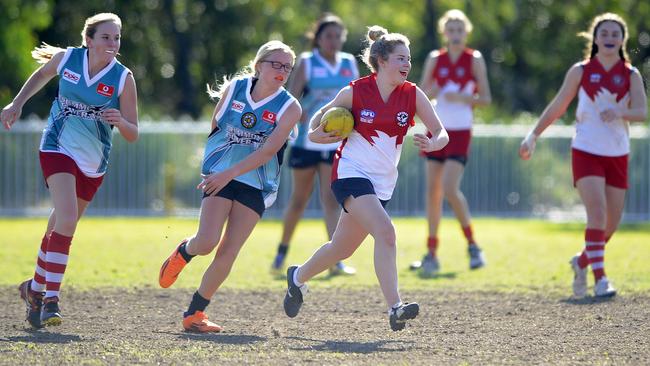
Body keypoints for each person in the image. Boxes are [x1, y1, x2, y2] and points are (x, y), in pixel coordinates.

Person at [282, 26, 449, 331]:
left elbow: (441, 132)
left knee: (340, 249)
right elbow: (315, 129)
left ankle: (297, 277)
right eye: (400, 58)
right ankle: (395, 308)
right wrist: (322, 133)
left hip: (382, 183)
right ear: (381, 60)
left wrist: (433, 142)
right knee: (386, 232)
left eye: (409, 59)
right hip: (350, 173)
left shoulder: (412, 94)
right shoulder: (355, 91)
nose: (407, 64)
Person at [1, 13, 138, 328]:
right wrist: (16, 104)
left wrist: (122, 122)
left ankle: (33, 289)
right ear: (88, 39)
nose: (113, 44)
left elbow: (133, 133)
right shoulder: (68, 59)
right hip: (57, 147)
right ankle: (51, 300)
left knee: (58, 226)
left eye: (117, 38)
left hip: (94, 162)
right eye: (106, 37)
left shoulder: (122, 78)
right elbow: (41, 75)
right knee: (65, 221)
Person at [158, 40, 301, 333]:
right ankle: (184, 251)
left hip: (257, 183)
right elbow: (217, 126)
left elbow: (266, 152)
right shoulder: (235, 88)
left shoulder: (290, 107)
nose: (282, 71)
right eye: (276, 64)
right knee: (207, 241)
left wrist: (230, 172)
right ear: (258, 65)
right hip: (221, 173)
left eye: (287, 67)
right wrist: (216, 167)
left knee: (229, 251)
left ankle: (194, 313)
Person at [519, 13, 647, 298]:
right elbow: (558, 105)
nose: (610, 38)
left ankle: (581, 262)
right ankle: (601, 279)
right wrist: (534, 134)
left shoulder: (631, 74)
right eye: (605, 33)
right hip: (586, 150)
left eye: (616, 34)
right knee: (598, 214)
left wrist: (620, 112)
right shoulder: (581, 70)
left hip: (618, 153)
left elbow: (641, 112)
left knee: (610, 225)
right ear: (595, 38)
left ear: (623, 39)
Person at [271, 13, 359, 276]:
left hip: (334, 142)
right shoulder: (308, 63)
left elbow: (355, 99)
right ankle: (281, 252)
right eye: (328, 36)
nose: (333, 40)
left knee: (331, 200)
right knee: (299, 199)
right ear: (318, 38)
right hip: (306, 141)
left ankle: (336, 261)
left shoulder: (349, 63)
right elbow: (292, 98)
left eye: (337, 35)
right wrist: (295, 121)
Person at [410, 9, 491, 276]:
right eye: (451, 30)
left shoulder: (474, 59)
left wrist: (464, 99)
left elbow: (486, 99)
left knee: (449, 187)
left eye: (460, 30)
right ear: (445, 33)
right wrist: (432, 93)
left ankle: (473, 245)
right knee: (432, 193)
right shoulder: (436, 58)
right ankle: (431, 253)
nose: (456, 35)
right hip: (436, 130)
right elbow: (421, 93)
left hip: (460, 131)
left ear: (466, 32)